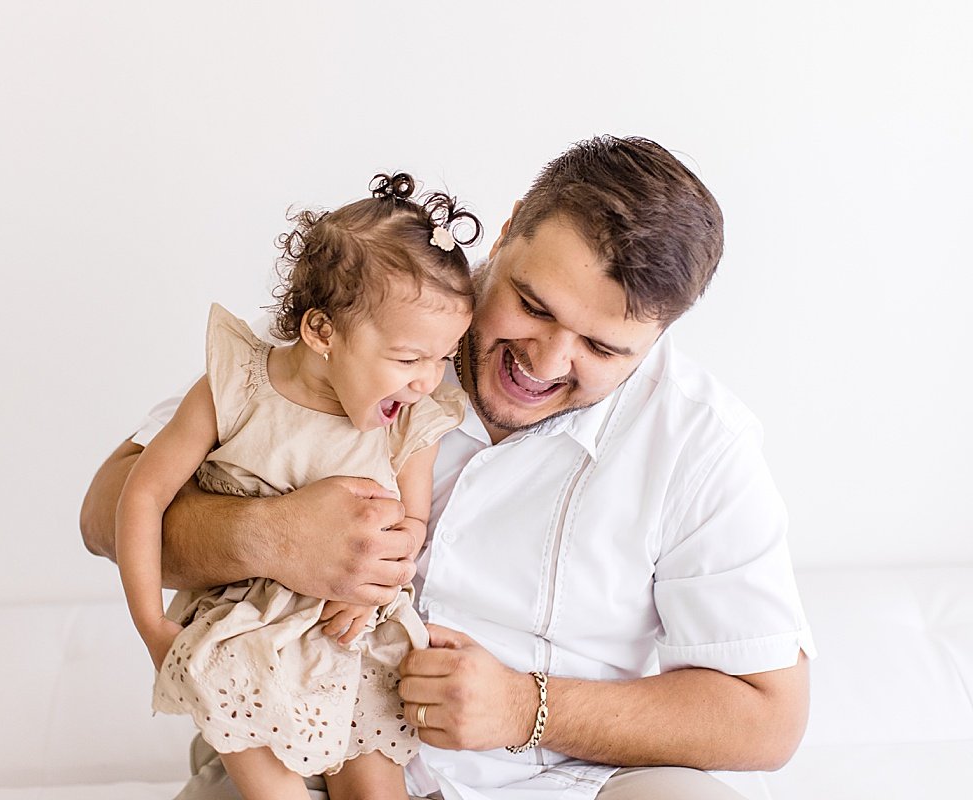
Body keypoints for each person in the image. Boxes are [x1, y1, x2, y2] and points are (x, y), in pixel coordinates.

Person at [81, 136, 816, 800]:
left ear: (658, 338)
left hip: (562, 780)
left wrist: (527, 708)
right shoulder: (380, 321)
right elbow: (105, 513)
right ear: (509, 226)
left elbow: (768, 719)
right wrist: (266, 534)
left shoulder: (700, 442)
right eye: (533, 305)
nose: (547, 362)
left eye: (603, 349)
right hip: (301, 752)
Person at [113, 173, 482, 800]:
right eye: (407, 357)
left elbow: (409, 530)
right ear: (322, 333)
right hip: (243, 634)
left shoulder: (413, 423)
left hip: (349, 635)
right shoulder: (237, 391)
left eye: (442, 358)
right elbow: (141, 495)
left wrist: (376, 590)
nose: (427, 381)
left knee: (376, 791)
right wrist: (150, 623)